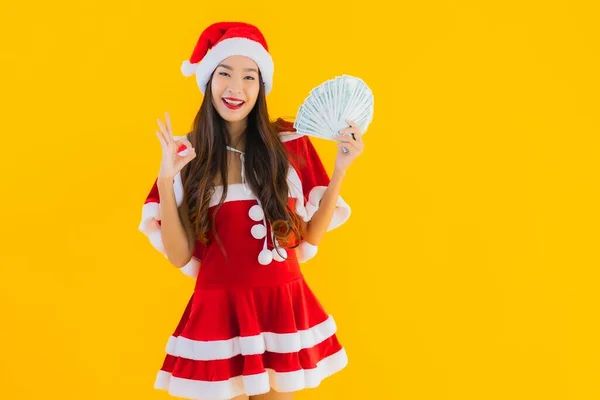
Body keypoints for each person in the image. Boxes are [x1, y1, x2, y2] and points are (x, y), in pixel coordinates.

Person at [138, 21, 365, 400]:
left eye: (249, 77)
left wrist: (340, 168)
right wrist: (165, 181)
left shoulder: (288, 143)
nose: (236, 88)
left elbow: (310, 236)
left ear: (261, 87)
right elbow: (179, 256)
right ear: (208, 80)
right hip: (219, 311)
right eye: (224, 73)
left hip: (280, 305)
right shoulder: (186, 154)